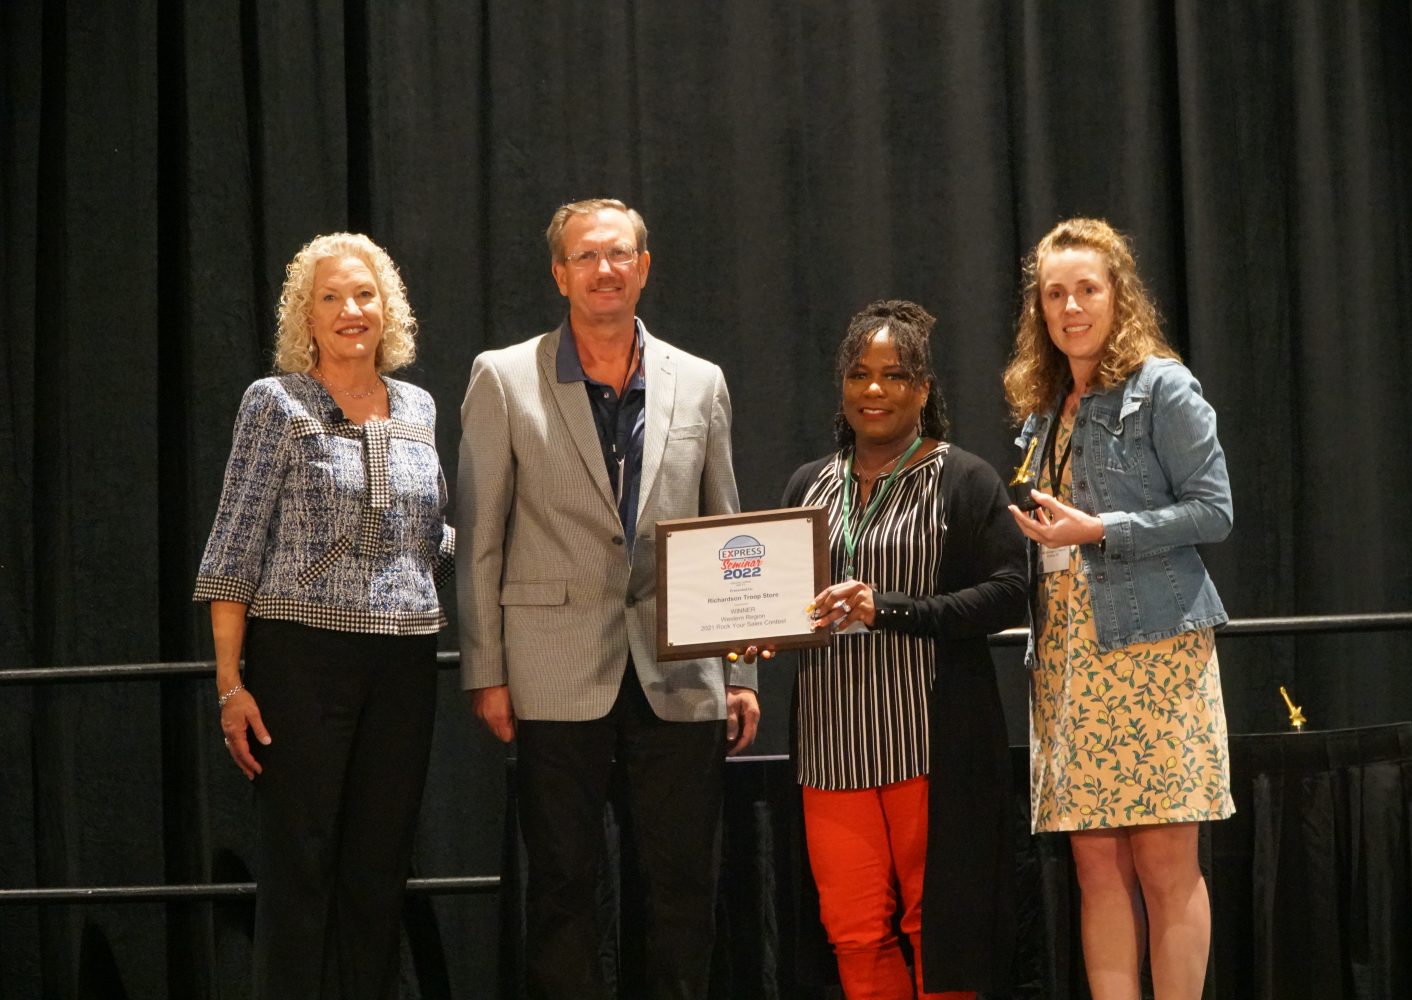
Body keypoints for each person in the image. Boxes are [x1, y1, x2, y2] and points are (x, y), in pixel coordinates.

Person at [455, 197, 760, 1000]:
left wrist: (742, 669)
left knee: (683, 887)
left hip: (680, 669)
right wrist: (485, 668)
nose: (605, 269)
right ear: (561, 273)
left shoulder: (700, 382)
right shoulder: (503, 376)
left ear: (645, 267)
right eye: (587, 256)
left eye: (620, 254)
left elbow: (727, 529)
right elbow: (480, 534)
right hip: (551, 670)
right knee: (561, 887)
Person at [194, 232, 453, 998]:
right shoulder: (274, 403)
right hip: (300, 659)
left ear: (388, 309)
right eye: (332, 297)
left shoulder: (419, 407)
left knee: (378, 870)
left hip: (406, 662)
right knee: (300, 866)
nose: (351, 310)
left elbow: (429, 532)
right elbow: (236, 541)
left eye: (365, 294)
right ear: (305, 316)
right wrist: (229, 684)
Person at [1002, 217, 1234, 1000]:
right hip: (1070, 657)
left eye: (1087, 290)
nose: (1071, 307)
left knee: (1166, 865)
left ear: (1118, 295)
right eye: (1055, 293)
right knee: (1096, 868)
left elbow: (1215, 511)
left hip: (1153, 652)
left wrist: (1100, 529)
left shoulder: (1163, 385)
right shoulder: (1044, 406)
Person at [783, 300, 1028, 999]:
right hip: (832, 751)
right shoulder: (808, 485)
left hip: (930, 745)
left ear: (924, 388)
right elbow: (781, 596)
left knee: (939, 930)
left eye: (895, 375)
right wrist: (760, 634)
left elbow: (1012, 592)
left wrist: (889, 608)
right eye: (859, 374)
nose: (874, 390)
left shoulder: (964, 480)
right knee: (854, 931)